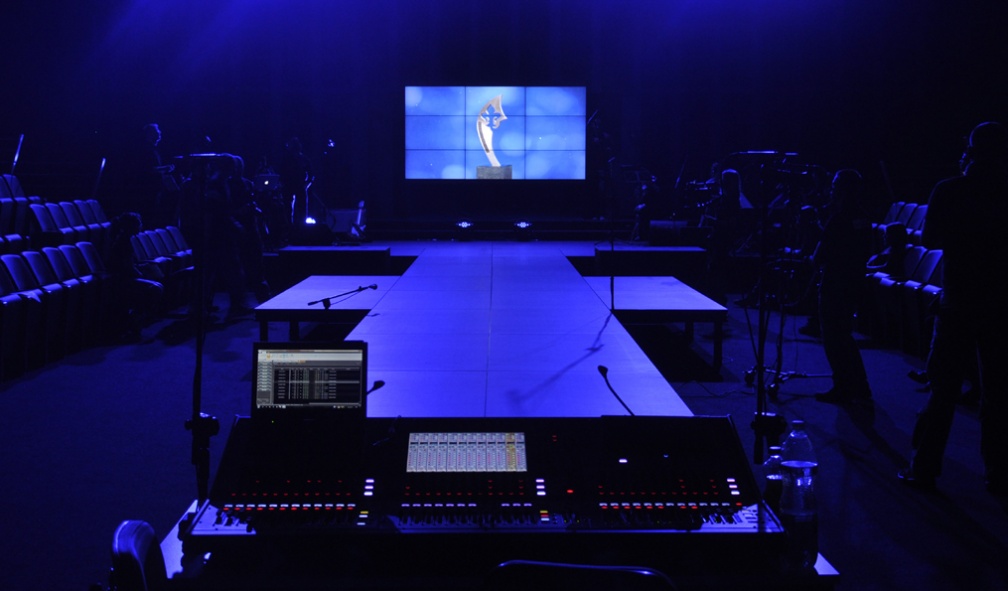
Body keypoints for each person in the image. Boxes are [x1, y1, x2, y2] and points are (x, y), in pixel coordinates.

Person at [899, 121, 1008, 495]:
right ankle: (999, 472)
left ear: (971, 152)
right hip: (1000, 304)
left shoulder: (949, 189)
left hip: (959, 301)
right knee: (998, 392)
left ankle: (924, 467)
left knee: (943, 389)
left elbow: (930, 238)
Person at [811, 169, 875, 404]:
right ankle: (859, 385)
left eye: (835, 185)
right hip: (854, 281)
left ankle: (843, 386)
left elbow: (820, 255)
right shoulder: (863, 216)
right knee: (844, 335)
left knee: (833, 337)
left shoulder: (838, 218)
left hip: (835, 283)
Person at [106, 212, 164, 341]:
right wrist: (141, 273)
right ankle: (135, 321)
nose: (141, 225)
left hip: (127, 276)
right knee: (155, 289)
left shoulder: (125, 240)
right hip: (122, 280)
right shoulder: (122, 242)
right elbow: (126, 267)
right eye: (138, 223)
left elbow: (130, 264)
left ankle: (137, 321)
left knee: (156, 282)